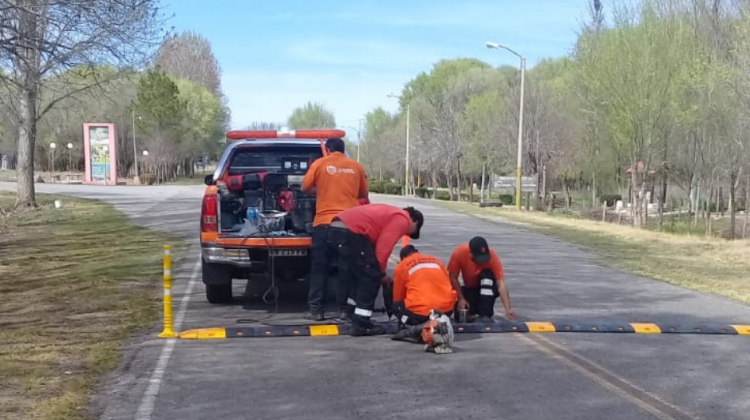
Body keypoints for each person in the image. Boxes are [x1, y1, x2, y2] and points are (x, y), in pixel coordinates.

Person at [328, 204, 424, 335]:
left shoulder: (390, 213)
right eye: (412, 231)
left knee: (359, 276)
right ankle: (362, 323)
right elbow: (383, 248)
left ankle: (351, 313)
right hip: (351, 232)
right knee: (371, 277)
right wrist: (382, 274)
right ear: (415, 221)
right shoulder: (403, 219)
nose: (406, 234)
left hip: (336, 229)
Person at [301, 138, 368, 321]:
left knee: (319, 268)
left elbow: (305, 187)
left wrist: (321, 189)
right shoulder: (356, 166)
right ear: (343, 149)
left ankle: (316, 310)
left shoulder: (320, 164)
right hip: (348, 224)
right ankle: (344, 310)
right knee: (346, 269)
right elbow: (362, 194)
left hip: (323, 224)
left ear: (328, 149)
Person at [446, 236, 518, 322]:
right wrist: (461, 298)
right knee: (460, 314)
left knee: (487, 275)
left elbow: (501, 283)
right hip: (471, 288)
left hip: (488, 288)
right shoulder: (460, 252)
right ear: (471, 253)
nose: (482, 261)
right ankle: (475, 310)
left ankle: (485, 314)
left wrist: (508, 309)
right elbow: (452, 277)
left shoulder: (493, 256)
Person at [389, 244, 457, 327]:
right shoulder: (437, 261)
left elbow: (398, 298)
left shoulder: (402, 266)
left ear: (403, 258)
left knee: (397, 305)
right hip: (446, 311)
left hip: (420, 315)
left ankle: (405, 322)